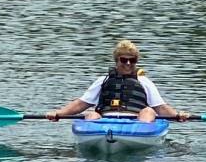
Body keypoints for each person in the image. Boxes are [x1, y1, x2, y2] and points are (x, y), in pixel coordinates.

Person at [46, 39, 189, 123]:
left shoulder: (144, 82)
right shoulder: (103, 80)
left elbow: (161, 108)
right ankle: (95, 135)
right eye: (124, 60)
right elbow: (81, 103)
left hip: (136, 123)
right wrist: (58, 113)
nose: (128, 63)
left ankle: (139, 135)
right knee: (91, 113)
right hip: (104, 123)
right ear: (116, 60)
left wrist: (177, 115)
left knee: (149, 111)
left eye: (132, 60)